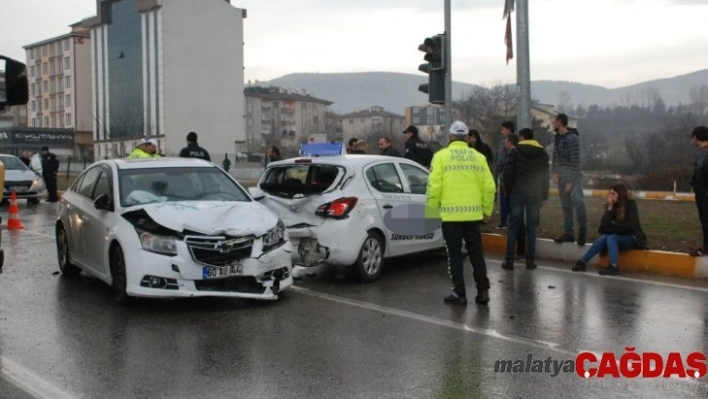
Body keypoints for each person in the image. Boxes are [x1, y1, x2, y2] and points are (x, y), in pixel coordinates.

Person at [426, 121, 496, 306]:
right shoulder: (479, 157)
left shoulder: (440, 157)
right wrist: (486, 211)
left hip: (450, 217)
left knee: (454, 256)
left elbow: (434, 187)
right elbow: (489, 187)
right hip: (473, 216)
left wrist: (431, 211)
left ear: (450, 137)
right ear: (466, 138)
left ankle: (459, 293)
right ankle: (483, 292)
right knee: (476, 254)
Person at [501, 128, 550, 270]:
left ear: (521, 137)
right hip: (534, 195)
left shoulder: (515, 152)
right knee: (531, 229)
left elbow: (507, 173)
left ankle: (509, 261)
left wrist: (508, 191)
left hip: (517, 194)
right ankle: (530, 261)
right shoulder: (542, 153)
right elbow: (545, 177)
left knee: (513, 227)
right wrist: (544, 196)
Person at [572, 185, 647, 275]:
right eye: (610, 194)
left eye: (613, 194)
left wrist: (612, 228)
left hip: (632, 237)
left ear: (620, 194)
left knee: (611, 237)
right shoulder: (613, 206)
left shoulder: (631, 204)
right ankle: (582, 262)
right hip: (618, 236)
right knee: (604, 237)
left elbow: (631, 225)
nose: (610, 196)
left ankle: (613, 266)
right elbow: (603, 227)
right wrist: (610, 208)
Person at [552, 113, 587, 245]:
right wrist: (554, 173)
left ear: (560, 122)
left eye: (554, 121)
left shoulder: (572, 138)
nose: (553, 124)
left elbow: (575, 161)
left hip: (573, 176)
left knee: (578, 203)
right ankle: (569, 233)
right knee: (566, 206)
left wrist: (570, 181)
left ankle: (582, 233)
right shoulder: (557, 138)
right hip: (561, 176)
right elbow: (555, 157)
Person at [689, 125, 708, 256]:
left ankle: (706, 248)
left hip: (704, 192)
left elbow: (700, 173)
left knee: (706, 219)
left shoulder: (703, 154)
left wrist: (695, 185)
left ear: (696, 137)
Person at [494, 121, 514, 229]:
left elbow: (504, 158)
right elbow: (498, 156)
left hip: (507, 176)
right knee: (503, 199)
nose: (502, 131)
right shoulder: (502, 142)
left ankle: (509, 221)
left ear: (509, 129)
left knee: (509, 199)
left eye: (503, 129)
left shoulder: (512, 142)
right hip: (502, 176)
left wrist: (500, 167)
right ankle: (503, 221)